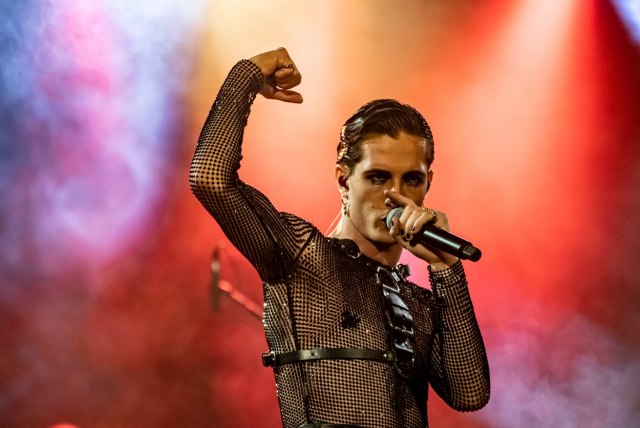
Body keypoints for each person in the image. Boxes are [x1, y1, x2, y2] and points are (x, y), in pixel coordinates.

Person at [190, 47, 490, 428]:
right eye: (378, 177)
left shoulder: (419, 301)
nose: (395, 195)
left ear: (428, 184)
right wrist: (248, 74)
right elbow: (209, 178)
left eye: (412, 180)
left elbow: (470, 394)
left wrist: (447, 268)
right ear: (344, 181)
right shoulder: (304, 255)